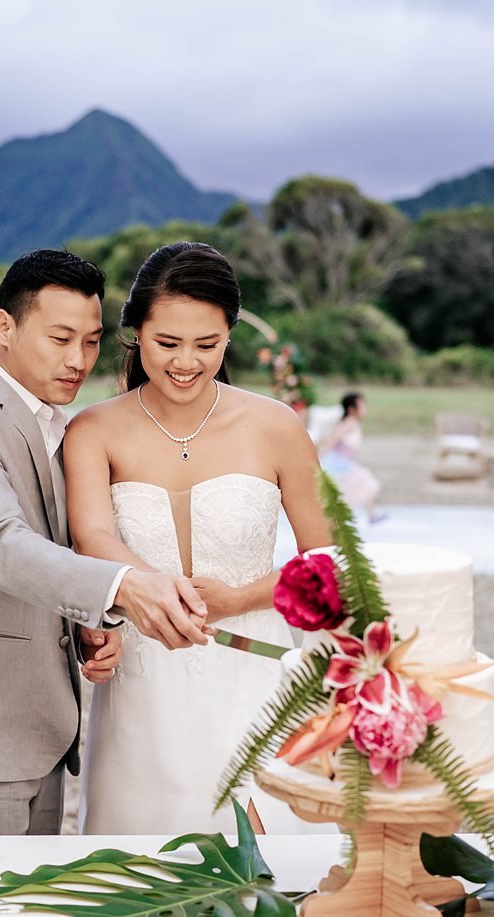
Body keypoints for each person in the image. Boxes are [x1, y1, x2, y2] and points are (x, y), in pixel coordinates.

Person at [0, 249, 210, 838]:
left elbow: (55, 556)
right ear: (5, 327)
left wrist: (92, 624)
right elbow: (2, 546)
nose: (78, 361)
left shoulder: (60, 424)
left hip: (43, 728)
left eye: (92, 342)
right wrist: (123, 587)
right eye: (60, 338)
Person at [64, 241, 335, 836]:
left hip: (258, 674)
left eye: (207, 345)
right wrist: (154, 593)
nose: (186, 361)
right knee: (145, 870)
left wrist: (240, 599)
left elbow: (328, 560)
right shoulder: (92, 430)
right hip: (142, 677)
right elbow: (90, 536)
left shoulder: (276, 427)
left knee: (276, 874)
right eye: (168, 343)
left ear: (230, 337)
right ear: (136, 333)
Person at [318, 391, 381, 521]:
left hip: (345, 463)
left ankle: (370, 515)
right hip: (338, 463)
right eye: (361, 406)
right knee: (363, 484)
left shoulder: (351, 423)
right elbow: (332, 440)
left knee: (360, 485)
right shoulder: (349, 423)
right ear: (352, 409)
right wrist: (319, 456)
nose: (364, 409)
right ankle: (368, 516)